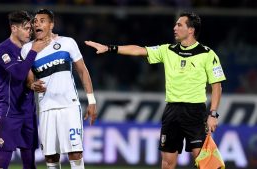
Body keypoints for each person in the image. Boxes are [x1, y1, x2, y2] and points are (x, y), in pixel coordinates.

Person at [85, 11, 226, 169]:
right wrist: (109, 48)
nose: (174, 28)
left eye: (179, 25)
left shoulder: (207, 54)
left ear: (191, 30)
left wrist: (213, 114)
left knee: (205, 163)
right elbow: (139, 50)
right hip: (172, 111)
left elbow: (217, 86)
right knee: (167, 163)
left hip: (195, 112)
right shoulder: (167, 50)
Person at [21, 9, 97, 169]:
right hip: (46, 108)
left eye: (42, 20)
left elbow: (83, 71)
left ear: (51, 24)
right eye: (35, 21)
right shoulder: (28, 49)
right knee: (50, 156)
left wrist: (91, 101)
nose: (37, 24)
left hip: (69, 105)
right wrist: (31, 85)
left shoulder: (67, 42)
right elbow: (28, 79)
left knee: (75, 153)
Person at [0, 10, 48, 169]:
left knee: (30, 164)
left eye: (30, 29)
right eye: (25, 28)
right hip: (9, 112)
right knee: (2, 163)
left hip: (28, 113)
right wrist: (33, 52)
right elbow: (18, 74)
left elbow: (29, 76)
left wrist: (33, 85)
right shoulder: (3, 49)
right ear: (13, 28)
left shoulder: (30, 49)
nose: (29, 32)